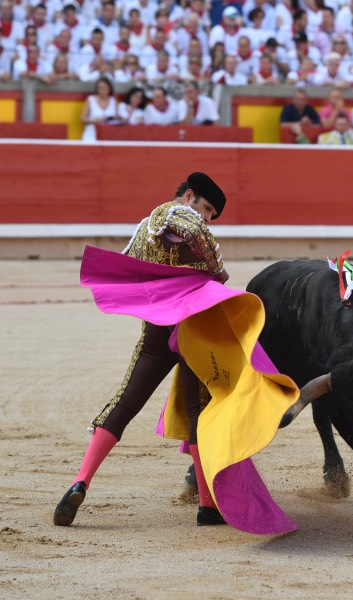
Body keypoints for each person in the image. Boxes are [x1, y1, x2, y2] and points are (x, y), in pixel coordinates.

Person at [53, 173, 229, 528]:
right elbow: (190, 230)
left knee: (126, 401)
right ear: (189, 196)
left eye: (211, 214)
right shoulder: (176, 215)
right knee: (198, 408)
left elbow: (127, 261)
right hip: (190, 327)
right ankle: (208, 506)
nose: (207, 218)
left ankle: (81, 480)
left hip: (156, 330)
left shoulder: (144, 226)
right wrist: (217, 270)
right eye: (207, 209)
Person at [81, 77, 119, 142]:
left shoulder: (113, 101)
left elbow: (117, 119)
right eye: (100, 88)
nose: (101, 91)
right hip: (91, 134)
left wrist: (112, 118)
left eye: (104, 88)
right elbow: (82, 119)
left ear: (109, 88)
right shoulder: (91, 99)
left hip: (108, 134)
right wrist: (97, 120)